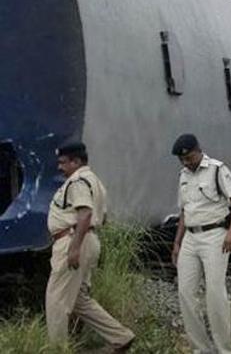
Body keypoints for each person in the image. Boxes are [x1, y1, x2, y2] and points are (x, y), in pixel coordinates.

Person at [45, 143, 135, 351]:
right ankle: (120, 336)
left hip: (73, 239)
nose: (60, 167)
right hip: (86, 239)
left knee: (56, 300)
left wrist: (75, 248)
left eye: (63, 162)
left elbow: (85, 214)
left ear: (76, 162)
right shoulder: (94, 181)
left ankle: (57, 349)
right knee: (78, 299)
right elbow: (103, 217)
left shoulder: (78, 181)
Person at [170, 134, 231, 354]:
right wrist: (177, 243)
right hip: (191, 238)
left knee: (214, 292)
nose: (186, 162)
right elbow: (184, 211)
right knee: (185, 292)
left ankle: (224, 349)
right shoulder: (183, 175)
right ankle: (201, 349)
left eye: (189, 157)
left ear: (198, 150)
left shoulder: (217, 169)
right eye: (182, 160)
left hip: (215, 235)